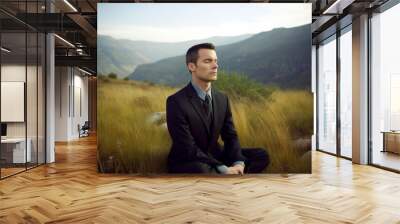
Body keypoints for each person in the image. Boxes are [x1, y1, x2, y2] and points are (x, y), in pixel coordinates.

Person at [166, 43, 269, 174]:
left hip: (215, 155)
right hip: (189, 160)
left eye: (216, 61)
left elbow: (230, 136)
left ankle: (233, 173)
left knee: (261, 155)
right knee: (201, 169)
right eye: (208, 61)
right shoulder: (176, 101)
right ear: (192, 66)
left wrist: (238, 162)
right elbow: (187, 147)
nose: (215, 66)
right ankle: (226, 175)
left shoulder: (222, 98)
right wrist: (223, 168)